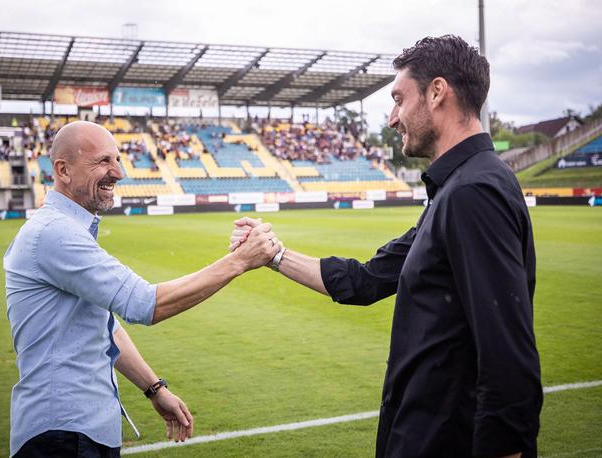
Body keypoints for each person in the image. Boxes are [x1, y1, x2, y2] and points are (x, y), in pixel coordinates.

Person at [231, 35, 542, 457]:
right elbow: (365, 281)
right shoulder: (454, 190)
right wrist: (274, 255)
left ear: (436, 92)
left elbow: (508, 358)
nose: (393, 118)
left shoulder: (474, 192)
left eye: (399, 99)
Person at [4, 121, 280, 457]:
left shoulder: (63, 230)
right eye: (104, 161)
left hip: (75, 431)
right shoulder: (54, 233)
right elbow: (145, 304)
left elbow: (104, 324)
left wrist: (154, 388)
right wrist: (239, 261)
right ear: (63, 170)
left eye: (118, 160)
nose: (118, 173)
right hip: (61, 436)